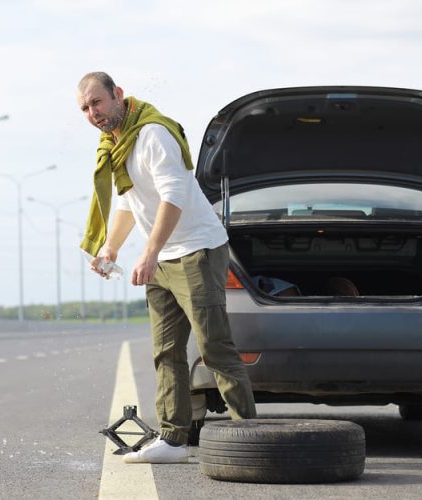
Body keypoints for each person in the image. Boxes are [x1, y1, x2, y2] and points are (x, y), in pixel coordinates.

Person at [76, 72, 256, 464]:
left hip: (196, 250)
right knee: (166, 351)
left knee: (213, 347)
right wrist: (111, 248)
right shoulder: (116, 145)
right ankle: (174, 440)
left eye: (97, 103)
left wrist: (150, 251)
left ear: (118, 95)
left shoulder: (153, 134)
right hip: (162, 256)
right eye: (85, 109)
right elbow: (128, 203)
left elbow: (173, 196)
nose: (93, 113)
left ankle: (249, 433)